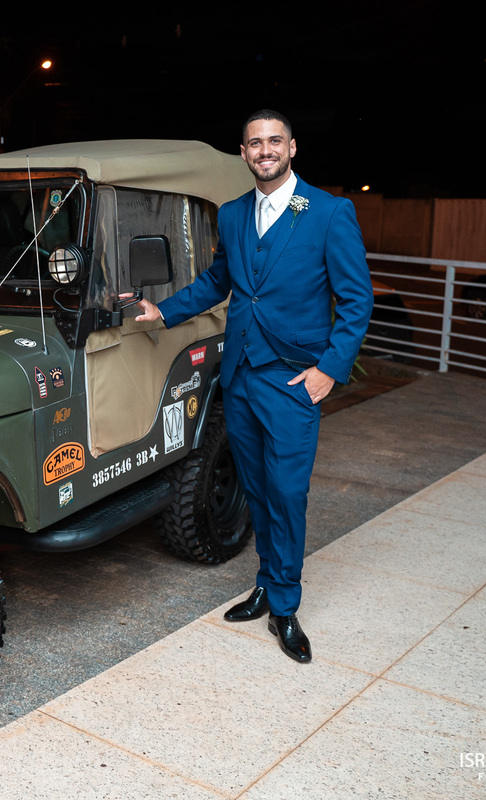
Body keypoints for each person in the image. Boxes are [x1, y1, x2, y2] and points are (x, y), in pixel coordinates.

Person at [129, 110, 373, 663]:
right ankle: (266, 581)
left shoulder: (330, 213)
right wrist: (162, 311)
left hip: (293, 380)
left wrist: (329, 370)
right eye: (255, 142)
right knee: (259, 488)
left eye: (274, 141)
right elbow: (221, 280)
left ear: (292, 147)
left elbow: (357, 301)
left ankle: (285, 606)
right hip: (239, 375)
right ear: (243, 153)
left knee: (288, 493)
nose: (265, 150)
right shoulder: (235, 214)